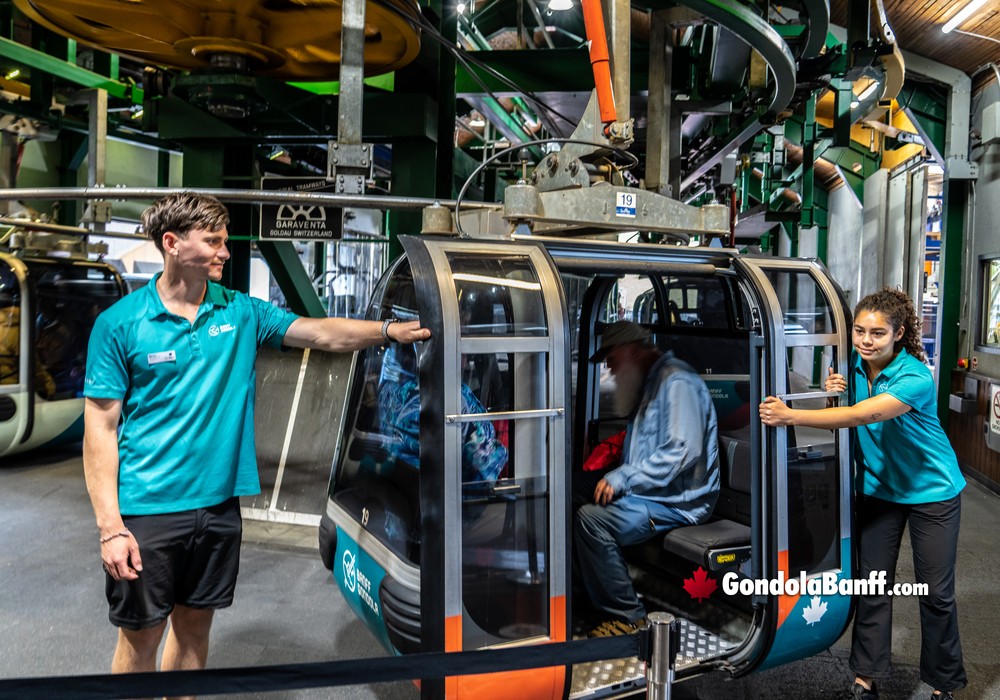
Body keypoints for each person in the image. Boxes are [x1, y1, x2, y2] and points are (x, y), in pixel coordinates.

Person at [82, 192, 430, 686]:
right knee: (141, 637)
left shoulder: (241, 312)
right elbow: (100, 430)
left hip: (219, 508)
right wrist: (110, 527)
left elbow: (321, 333)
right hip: (147, 511)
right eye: (214, 241)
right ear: (173, 243)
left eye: (226, 241)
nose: (226, 252)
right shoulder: (119, 325)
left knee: (194, 632)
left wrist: (389, 330)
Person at [759, 288, 966, 700]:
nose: (866, 341)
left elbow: (861, 415)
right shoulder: (853, 364)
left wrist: (790, 415)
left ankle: (944, 682)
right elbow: (847, 403)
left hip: (933, 492)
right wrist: (833, 387)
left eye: (877, 333)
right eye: (859, 331)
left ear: (899, 334)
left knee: (936, 593)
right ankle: (865, 677)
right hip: (878, 490)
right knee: (872, 584)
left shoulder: (915, 377)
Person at [575, 320, 719, 637]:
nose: (610, 369)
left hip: (677, 501)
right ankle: (583, 592)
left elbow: (683, 450)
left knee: (591, 519)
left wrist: (624, 477)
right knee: (571, 490)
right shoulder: (650, 381)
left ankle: (629, 617)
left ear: (631, 351)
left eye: (612, 359)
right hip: (651, 489)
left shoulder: (677, 382)